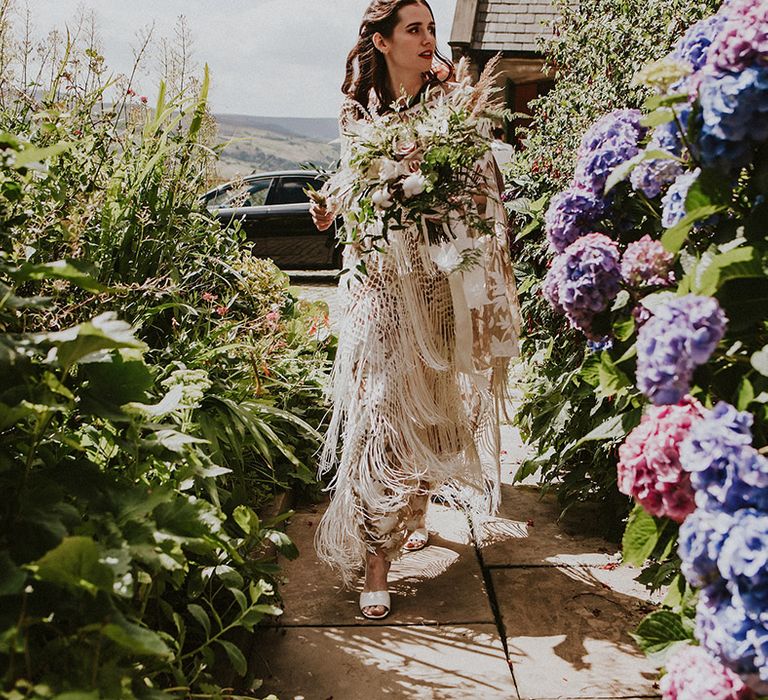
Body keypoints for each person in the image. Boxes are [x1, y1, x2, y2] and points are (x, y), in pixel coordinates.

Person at [310, 0, 521, 620]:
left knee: (432, 409)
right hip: (379, 287)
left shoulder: (450, 105)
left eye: (431, 27)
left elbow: (485, 187)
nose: (430, 39)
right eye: (415, 29)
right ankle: (376, 560)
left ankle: (418, 508)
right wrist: (331, 204)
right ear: (381, 42)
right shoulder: (356, 111)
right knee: (378, 413)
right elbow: (351, 183)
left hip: (437, 286)